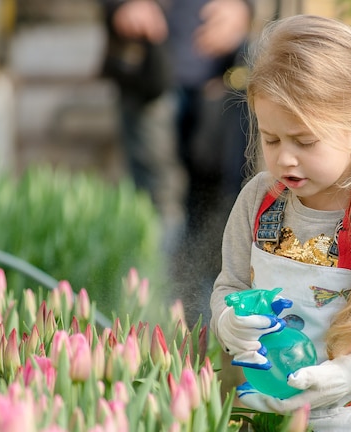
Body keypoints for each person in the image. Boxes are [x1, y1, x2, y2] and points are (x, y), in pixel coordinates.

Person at [209, 14, 351, 431]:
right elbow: (232, 285)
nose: (285, 158)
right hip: (275, 413)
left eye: (305, 140)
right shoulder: (258, 201)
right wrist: (229, 321)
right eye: (271, 138)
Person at [99, 0, 253, 327]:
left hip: (221, 79)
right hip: (149, 73)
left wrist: (244, 8)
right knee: (160, 207)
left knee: (214, 209)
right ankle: (152, 329)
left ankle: (205, 334)